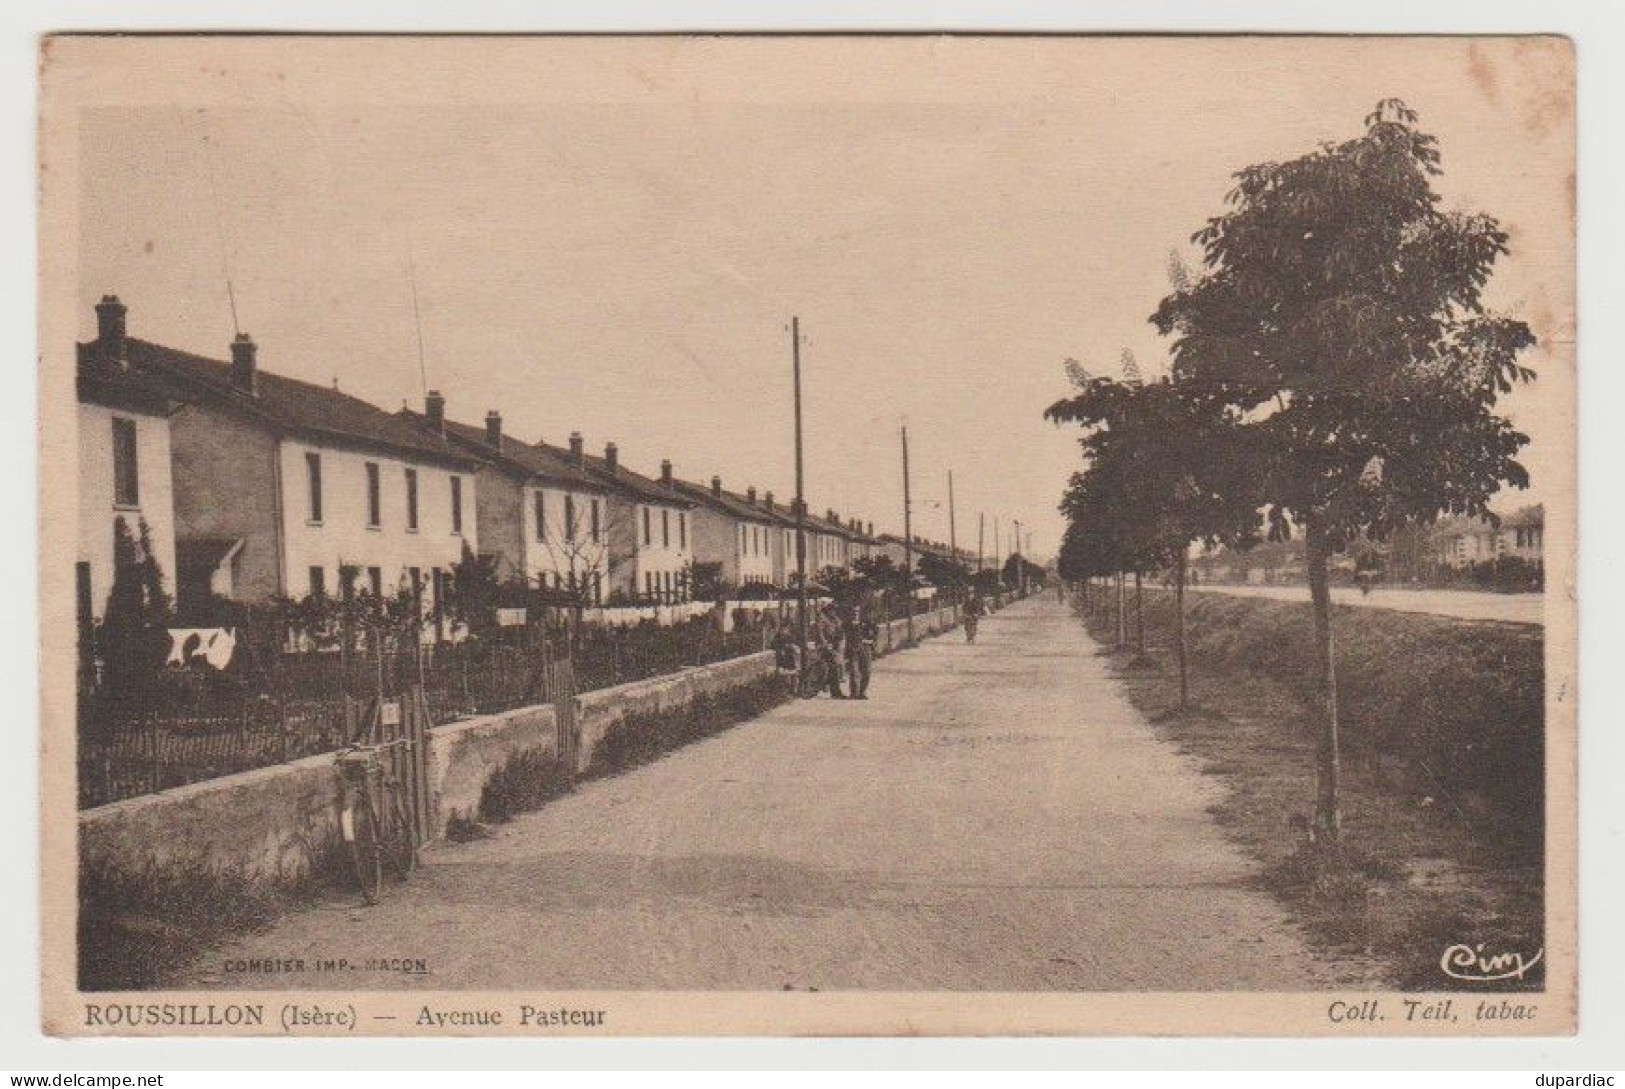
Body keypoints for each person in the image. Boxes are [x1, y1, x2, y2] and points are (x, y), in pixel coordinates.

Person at [843, 604, 876, 699]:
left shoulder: (866, 622)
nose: (855, 613)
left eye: (857, 611)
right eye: (853, 611)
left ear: (859, 612)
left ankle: (862, 692)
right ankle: (854, 693)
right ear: (850, 613)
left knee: (867, 671)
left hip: (865, 649)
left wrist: (871, 641)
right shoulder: (847, 624)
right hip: (853, 650)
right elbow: (843, 636)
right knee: (854, 672)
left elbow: (875, 632)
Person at [818, 606, 847, 698]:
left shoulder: (836, 620)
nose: (833, 612)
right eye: (831, 611)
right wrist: (826, 645)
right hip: (825, 648)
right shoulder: (823, 620)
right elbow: (820, 634)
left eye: (834, 611)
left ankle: (833, 690)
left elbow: (840, 632)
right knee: (832, 669)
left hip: (833, 646)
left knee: (833, 669)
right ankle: (834, 691)